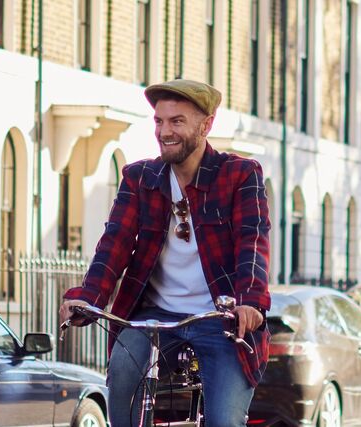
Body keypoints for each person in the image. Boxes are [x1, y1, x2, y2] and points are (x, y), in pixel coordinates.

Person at [58, 79, 271, 427]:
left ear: (206, 125)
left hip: (220, 318)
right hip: (152, 316)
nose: (165, 131)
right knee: (123, 376)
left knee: (223, 420)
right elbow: (114, 244)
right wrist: (88, 297)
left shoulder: (239, 175)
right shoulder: (140, 178)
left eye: (177, 121)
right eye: (159, 121)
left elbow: (253, 242)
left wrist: (251, 302)